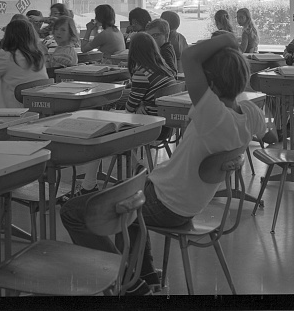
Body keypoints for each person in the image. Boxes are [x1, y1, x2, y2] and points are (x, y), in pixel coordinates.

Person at [60, 32, 266, 295]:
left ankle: (123, 279)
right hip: (185, 202)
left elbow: (190, 55)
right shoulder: (251, 113)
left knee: (72, 211)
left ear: (210, 82)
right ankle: (142, 275)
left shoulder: (212, 114)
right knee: (130, 200)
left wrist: (226, 39)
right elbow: (268, 136)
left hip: (165, 202)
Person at [62, 31, 180, 203]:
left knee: (99, 130)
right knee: (107, 124)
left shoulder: (142, 73)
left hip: (148, 125)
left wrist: (131, 98)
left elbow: (130, 109)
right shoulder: (164, 68)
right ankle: (136, 167)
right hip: (165, 125)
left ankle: (89, 186)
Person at [0, 17, 47, 108]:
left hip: (9, 112)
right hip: (33, 111)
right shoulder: (39, 56)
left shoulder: (7, 56)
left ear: (8, 36)